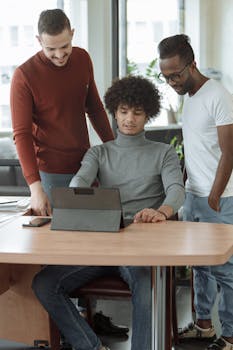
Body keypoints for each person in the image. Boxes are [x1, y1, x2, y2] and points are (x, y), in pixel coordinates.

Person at [32, 75, 185, 350]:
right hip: (100, 244)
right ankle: (91, 346)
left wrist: (161, 211)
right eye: (123, 111)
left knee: (146, 288)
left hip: (140, 247)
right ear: (114, 111)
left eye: (137, 113)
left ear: (147, 114)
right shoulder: (99, 153)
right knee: (44, 283)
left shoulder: (163, 153)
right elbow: (79, 182)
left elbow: (177, 190)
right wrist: (77, 194)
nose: (129, 119)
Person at [158, 34, 233, 350]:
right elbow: (196, 149)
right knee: (200, 265)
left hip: (221, 198)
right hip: (193, 194)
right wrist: (186, 187)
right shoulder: (189, 97)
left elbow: (229, 152)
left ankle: (229, 333)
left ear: (193, 65)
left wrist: (214, 195)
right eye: (166, 76)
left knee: (226, 270)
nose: (172, 81)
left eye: (177, 74)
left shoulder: (219, 95)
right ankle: (203, 323)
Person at [10, 8, 114, 217]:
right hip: (50, 172)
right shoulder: (24, 76)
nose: (59, 55)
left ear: (72, 34)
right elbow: (21, 135)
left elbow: (94, 108)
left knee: (92, 231)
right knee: (57, 241)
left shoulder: (83, 59)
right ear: (39, 41)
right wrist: (35, 187)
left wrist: (114, 148)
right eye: (51, 49)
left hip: (86, 165)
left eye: (65, 46)